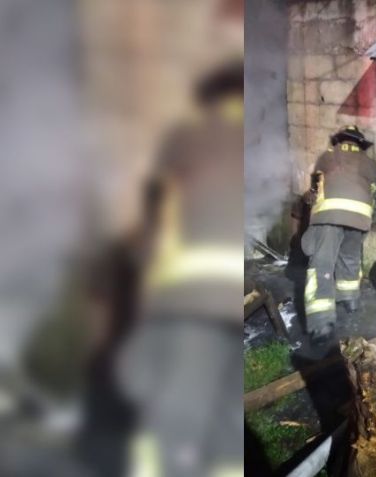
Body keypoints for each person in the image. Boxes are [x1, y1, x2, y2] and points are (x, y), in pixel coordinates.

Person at [117, 60, 244, 477]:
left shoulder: (183, 138)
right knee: (224, 417)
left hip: (182, 297)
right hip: (224, 299)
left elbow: (151, 216)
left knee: (172, 414)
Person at [301, 125, 376, 341]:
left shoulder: (325, 158)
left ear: (339, 141)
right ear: (360, 144)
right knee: (350, 259)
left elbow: (315, 192)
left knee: (322, 264)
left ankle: (321, 325)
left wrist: (311, 208)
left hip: (328, 217)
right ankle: (350, 301)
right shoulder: (371, 165)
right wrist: (366, 219)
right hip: (359, 219)